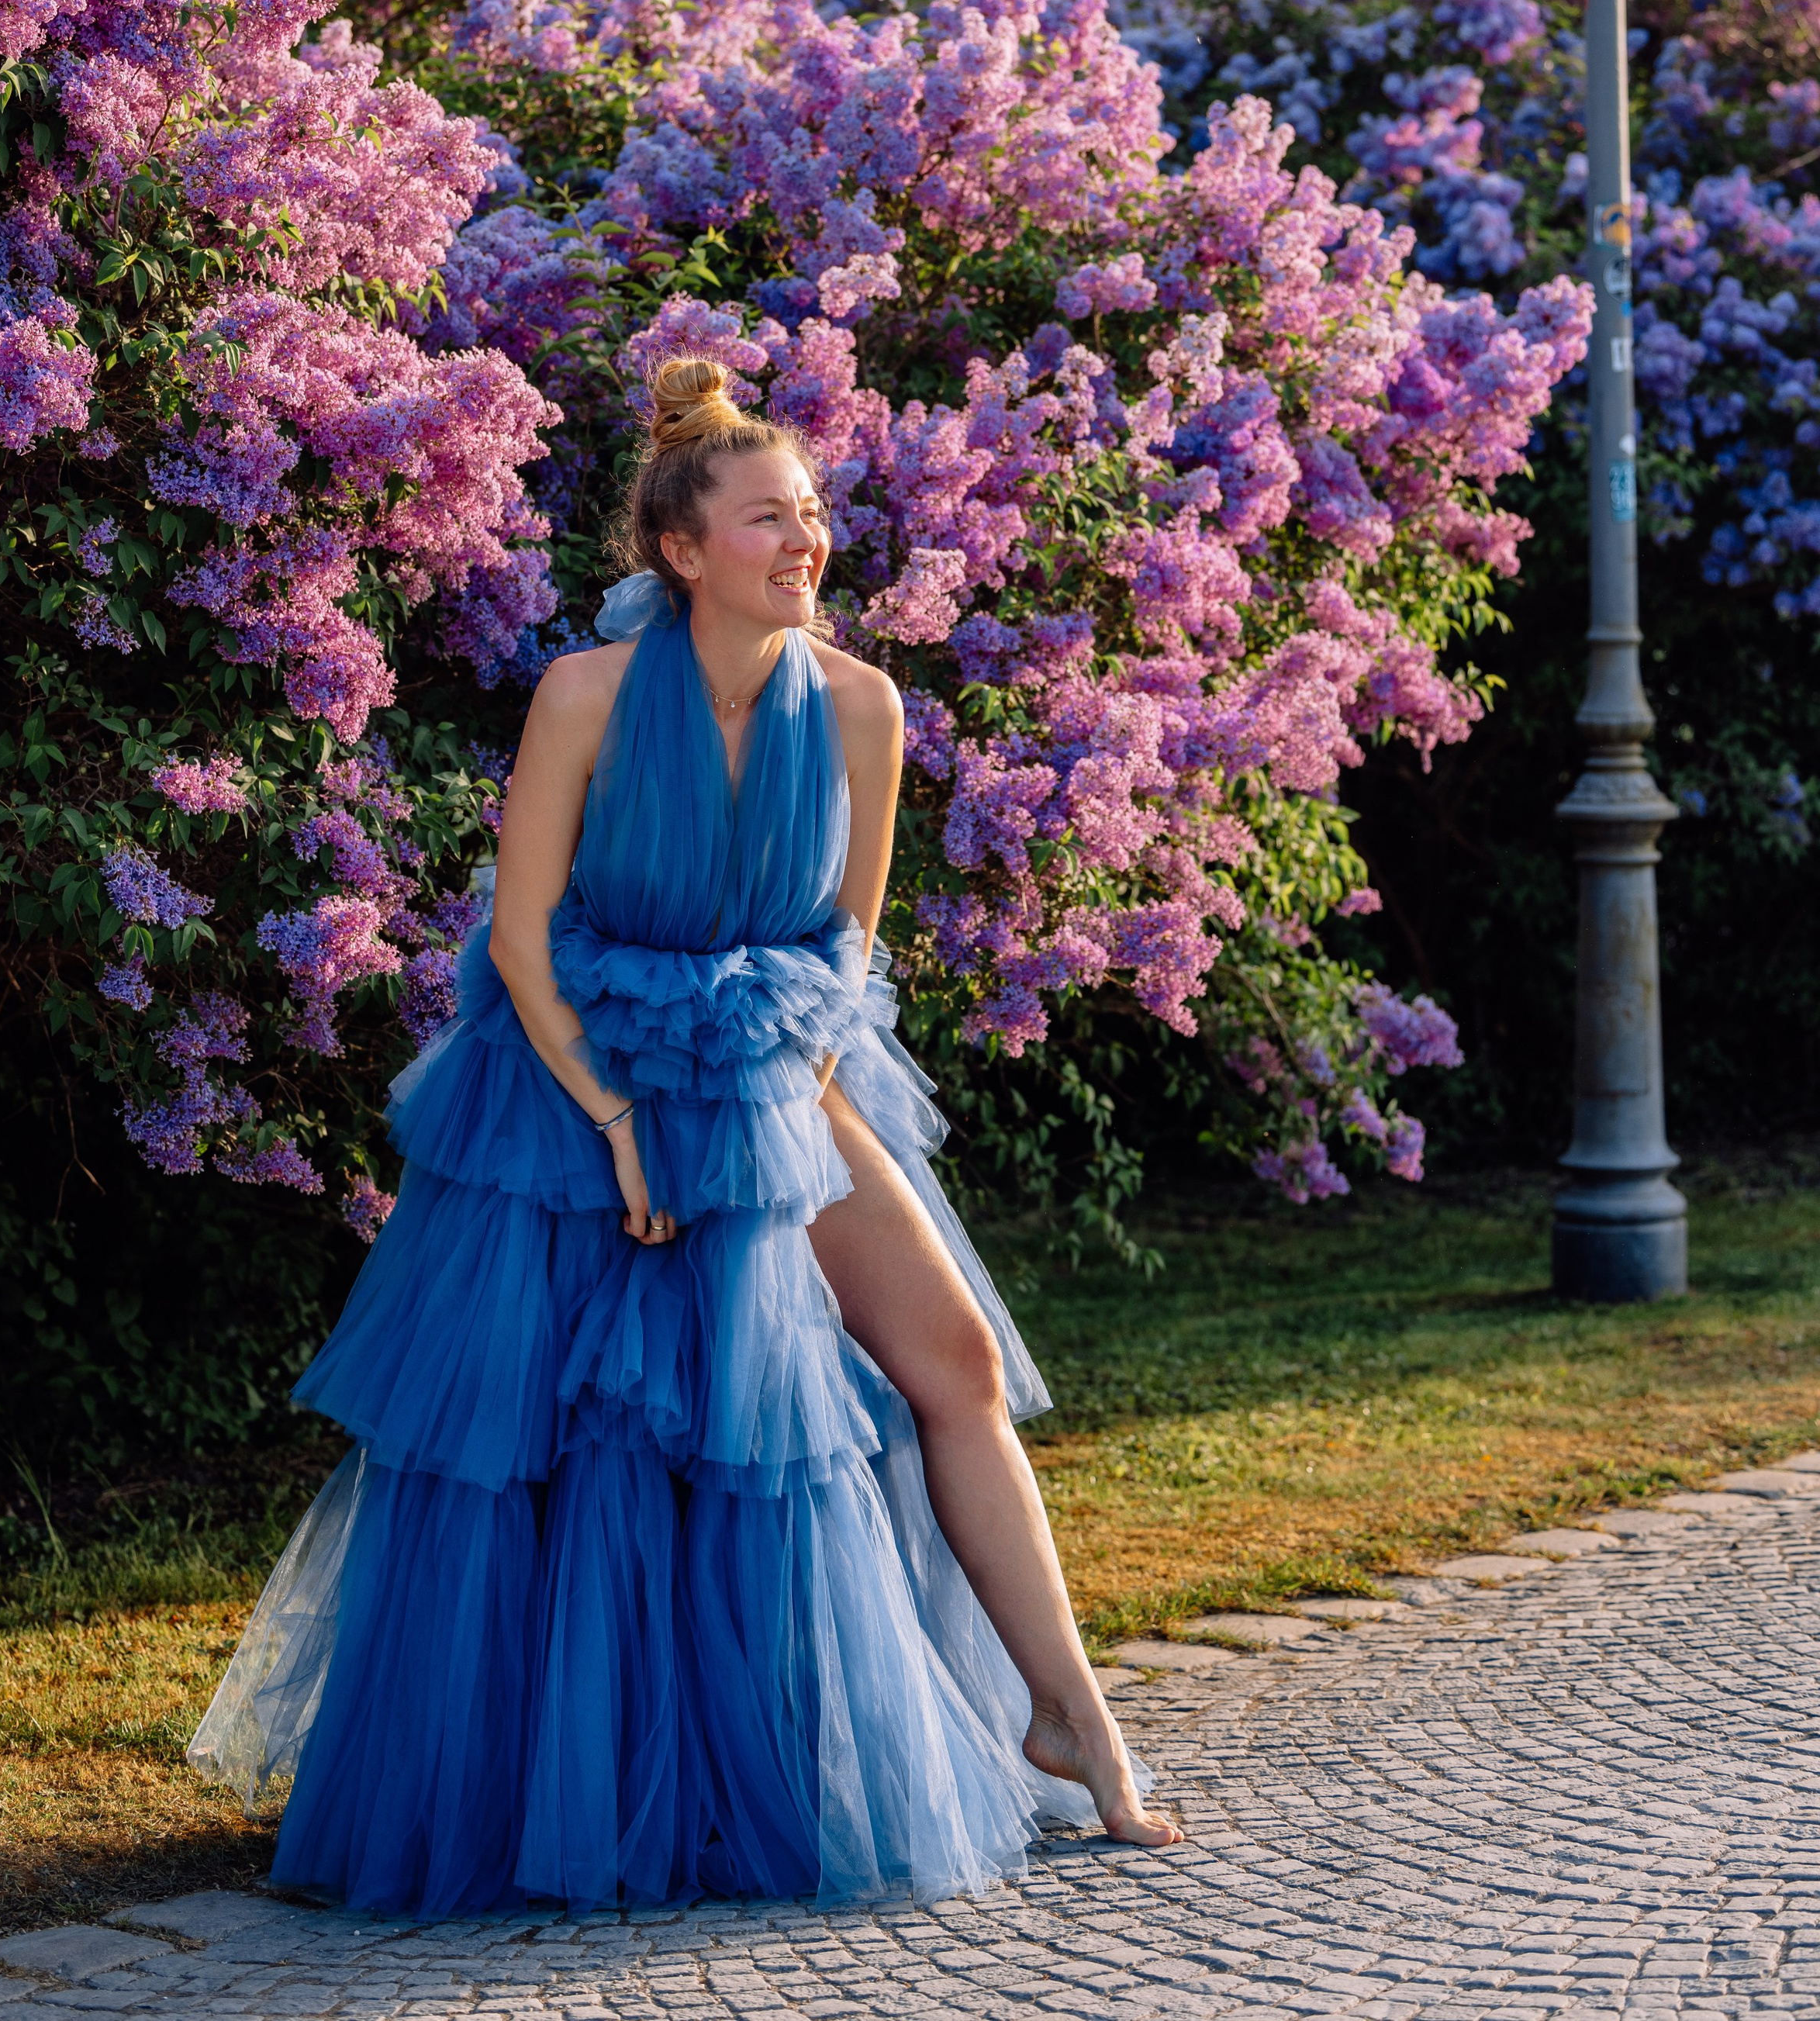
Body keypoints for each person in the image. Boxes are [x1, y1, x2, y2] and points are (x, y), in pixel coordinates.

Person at [191, 356, 1179, 1912]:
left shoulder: (862, 706)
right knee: (571, 1443)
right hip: (570, 1087)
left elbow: (848, 946)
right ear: (678, 545)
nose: (805, 543)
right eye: (768, 518)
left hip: (773, 1085)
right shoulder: (581, 696)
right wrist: (619, 1127)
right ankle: (551, 1779)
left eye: (812, 515)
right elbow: (517, 942)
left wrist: (784, 1093)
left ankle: (1071, 1709)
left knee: (957, 1361)